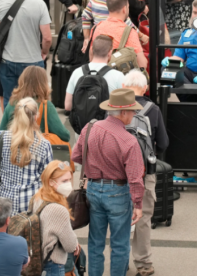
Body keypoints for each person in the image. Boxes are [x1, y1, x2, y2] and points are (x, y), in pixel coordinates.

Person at [72, 88, 146, 276]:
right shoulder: (128, 141)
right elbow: (135, 177)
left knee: (96, 242)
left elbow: (76, 155)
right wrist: (138, 203)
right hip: (118, 193)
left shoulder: (89, 129)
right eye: (132, 111)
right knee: (120, 245)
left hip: (94, 190)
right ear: (123, 112)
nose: (134, 114)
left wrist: (95, 164)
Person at [122, 70, 168, 276]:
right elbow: (164, 142)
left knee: (118, 217)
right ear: (145, 88)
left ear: (124, 86)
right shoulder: (152, 109)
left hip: (118, 173)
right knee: (143, 218)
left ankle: (120, 260)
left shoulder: (114, 107)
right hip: (144, 172)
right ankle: (144, 263)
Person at [0, 97, 53, 215]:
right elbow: (48, 177)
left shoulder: (1, 138)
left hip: (3, 203)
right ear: (36, 116)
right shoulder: (43, 144)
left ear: (16, 115)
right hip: (31, 204)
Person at [29, 161, 81, 276]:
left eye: (69, 180)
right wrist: (75, 241)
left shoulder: (38, 197)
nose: (69, 185)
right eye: (64, 181)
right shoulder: (58, 209)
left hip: (39, 262)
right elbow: (70, 245)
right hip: (53, 265)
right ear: (51, 182)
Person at [0, 66, 71, 142]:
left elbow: (0, 134)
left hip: (14, 148)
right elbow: (64, 135)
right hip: (38, 148)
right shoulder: (46, 106)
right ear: (44, 84)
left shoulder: (12, 103)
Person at [86, 0, 149, 70]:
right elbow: (142, 64)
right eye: (128, 7)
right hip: (121, 80)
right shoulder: (130, 32)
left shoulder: (96, 28)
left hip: (100, 78)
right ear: (124, 9)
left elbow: (91, 57)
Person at [65, 35, 125, 111]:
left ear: (92, 50)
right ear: (110, 52)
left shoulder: (77, 72)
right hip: (106, 122)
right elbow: (124, 108)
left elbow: (68, 106)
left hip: (81, 122)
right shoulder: (118, 76)